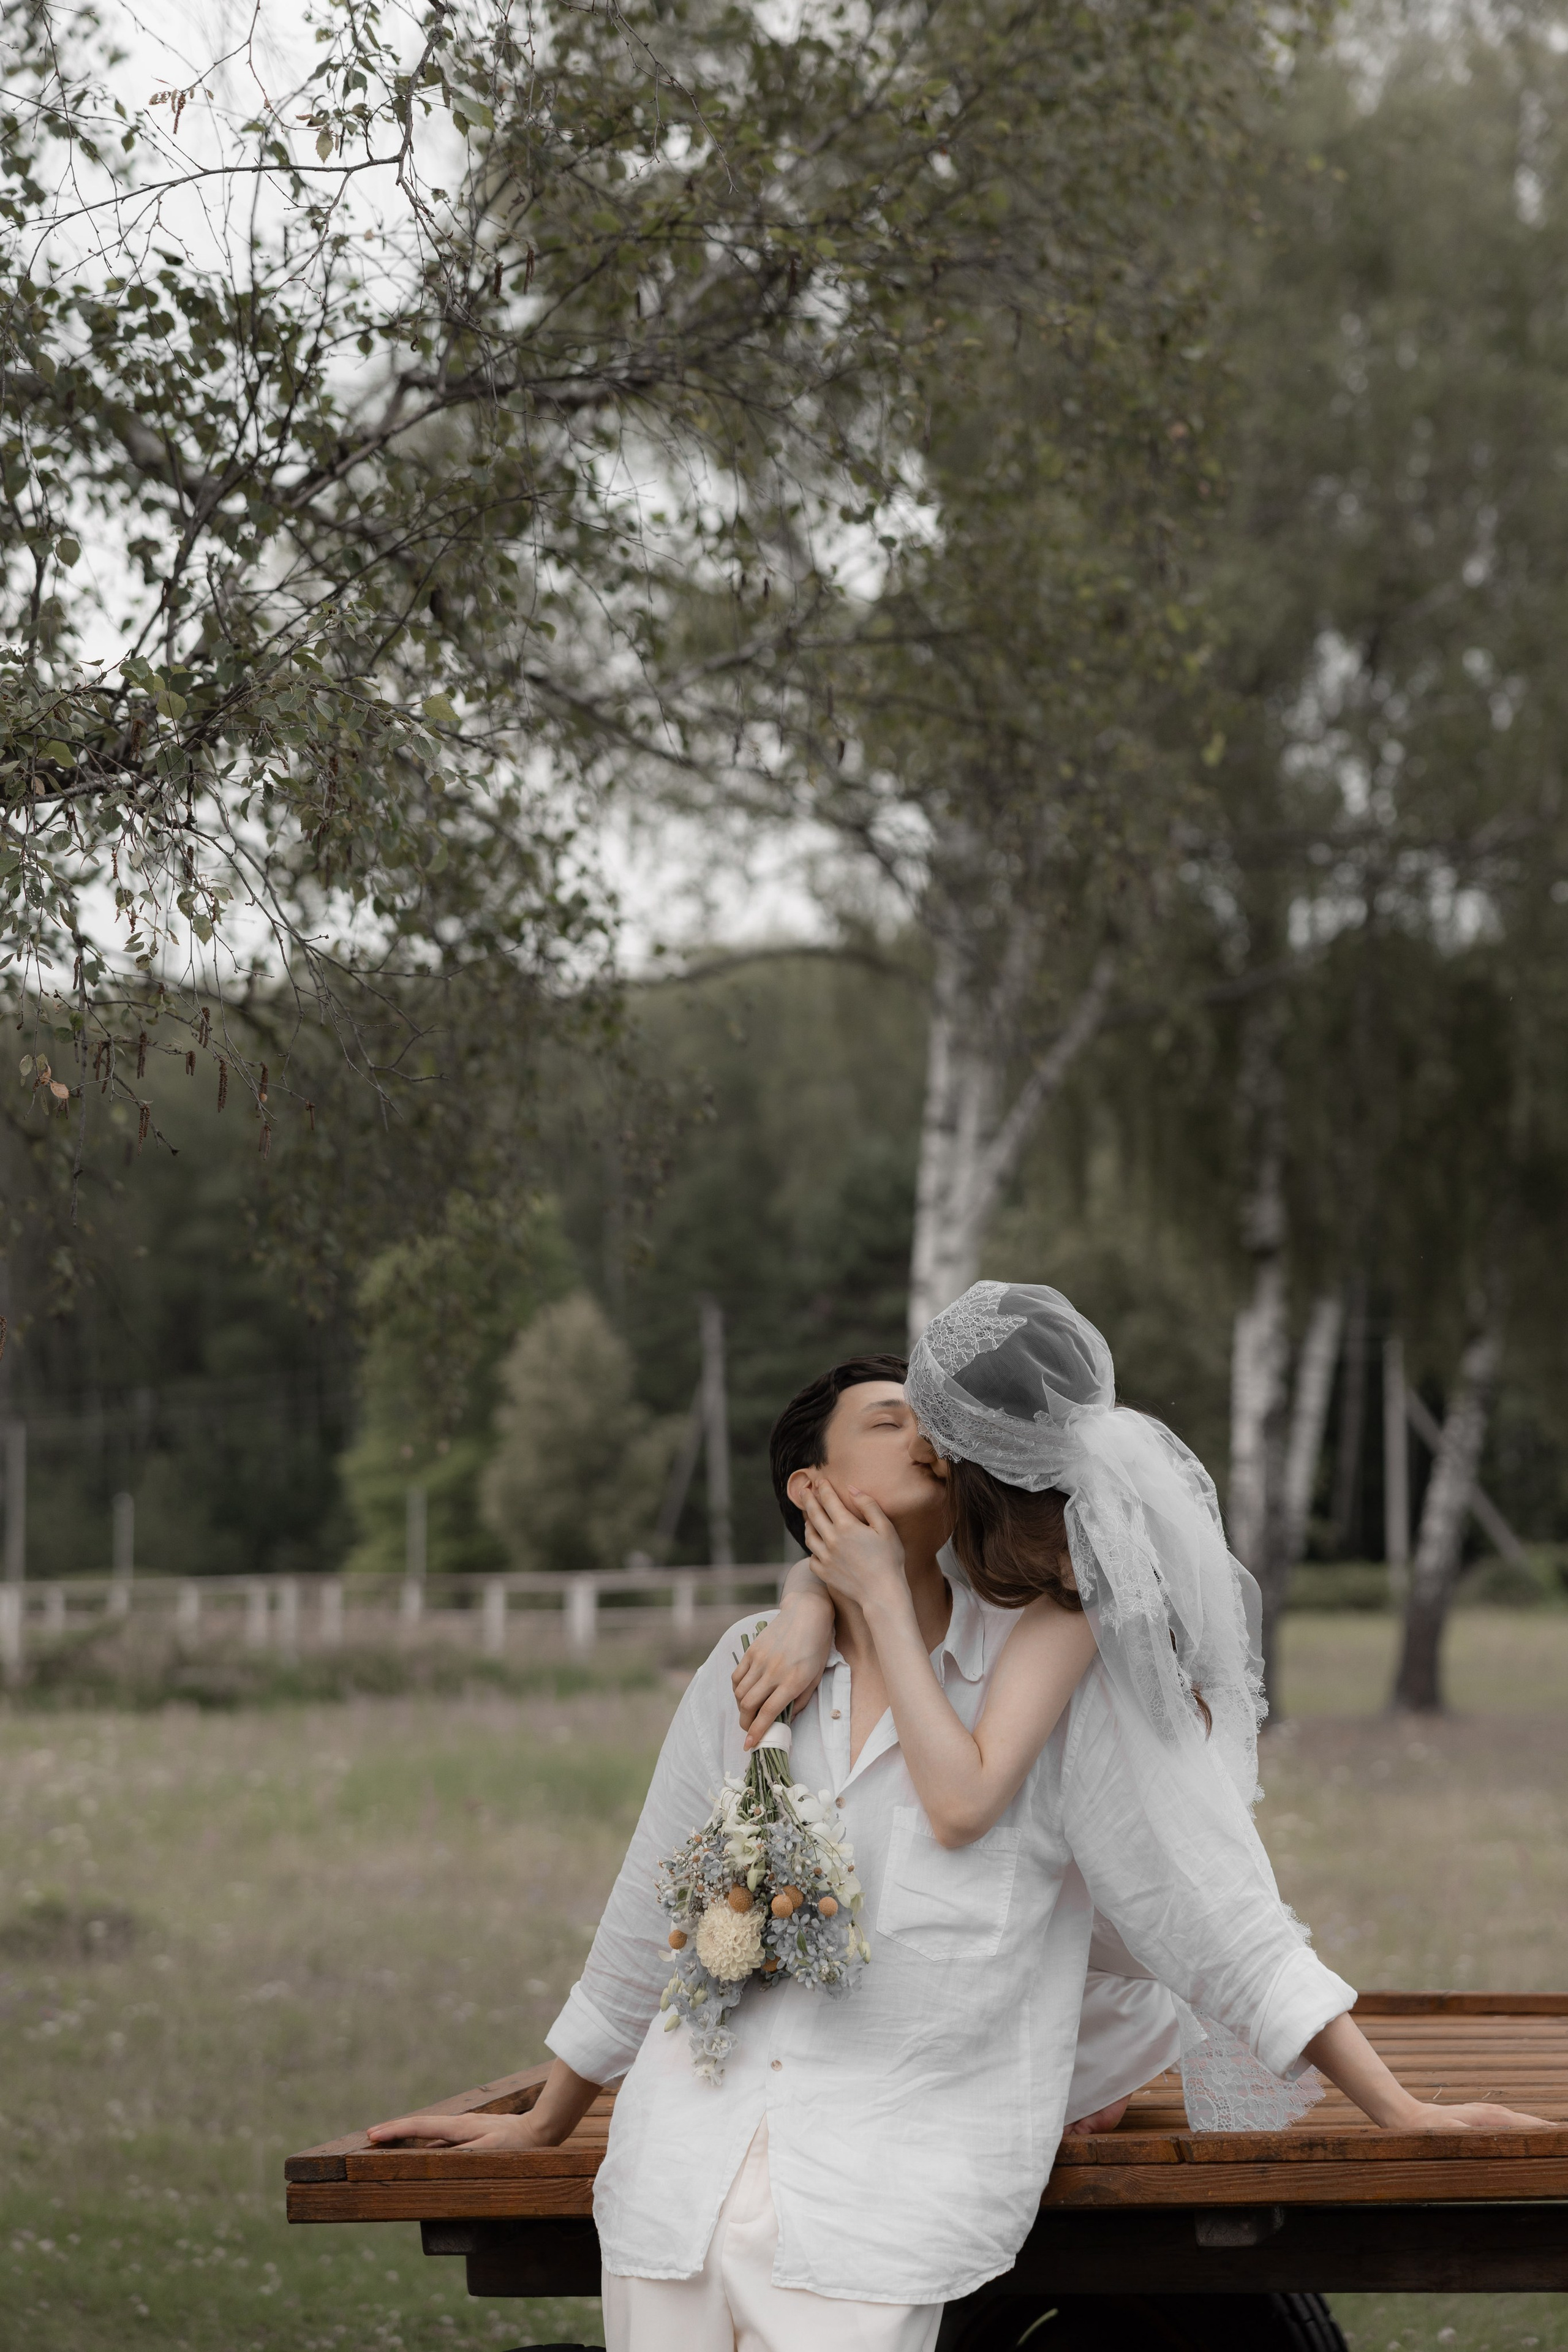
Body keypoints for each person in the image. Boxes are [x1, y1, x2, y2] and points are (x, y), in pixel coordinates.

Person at [735, 1282, 1551, 2142]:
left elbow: (1200, 1888)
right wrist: (809, 1600)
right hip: (918, 2015)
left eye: (925, 1425)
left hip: (1065, 2021)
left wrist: (1400, 2109)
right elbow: (869, 1581)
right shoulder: (966, 1583)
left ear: (968, 1465)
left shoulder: (1070, 1603)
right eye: (891, 1425)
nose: (920, 1443)